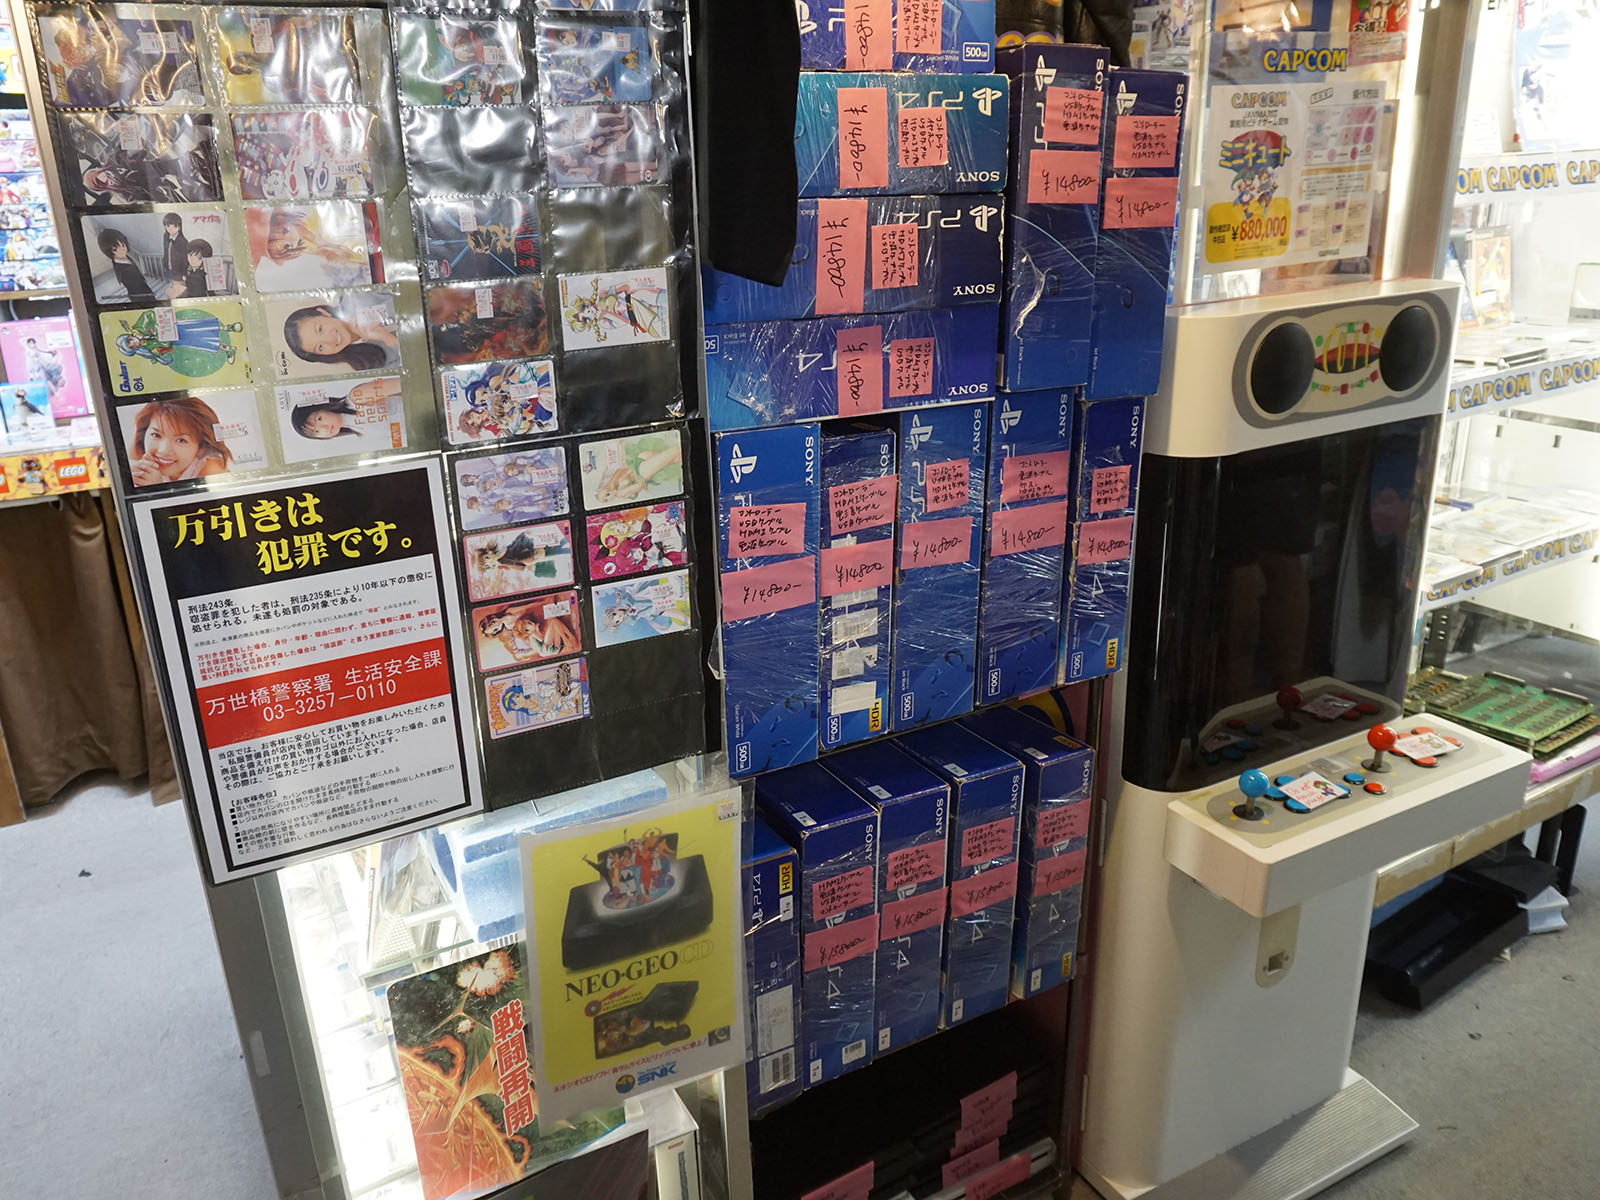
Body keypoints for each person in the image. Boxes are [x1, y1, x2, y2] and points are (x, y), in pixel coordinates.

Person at [126, 396, 233, 486]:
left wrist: (157, 487)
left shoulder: (213, 472)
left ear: (201, 448)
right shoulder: (139, 449)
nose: (164, 450)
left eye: (181, 440)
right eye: (156, 435)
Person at [281, 302, 396, 372]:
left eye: (320, 329)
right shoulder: (366, 363)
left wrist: (376, 313)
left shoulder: (356, 296)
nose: (330, 340)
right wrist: (388, 339)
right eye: (320, 347)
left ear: (323, 313)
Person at [95, 226, 155, 302]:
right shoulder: (124, 271)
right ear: (108, 252)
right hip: (141, 297)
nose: (122, 250)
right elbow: (136, 290)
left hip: (144, 288)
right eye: (115, 249)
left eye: (123, 245)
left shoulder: (121, 257)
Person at [161, 212, 188, 283]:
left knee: (178, 286)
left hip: (178, 271)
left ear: (179, 227)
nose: (169, 228)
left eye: (173, 226)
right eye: (167, 226)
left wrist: (184, 274)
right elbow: (165, 251)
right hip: (168, 269)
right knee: (172, 284)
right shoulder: (166, 236)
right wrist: (165, 266)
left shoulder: (183, 241)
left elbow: (185, 260)